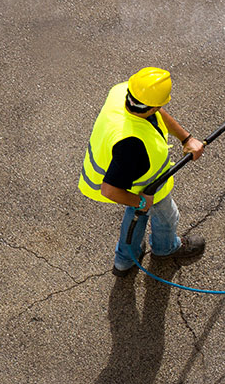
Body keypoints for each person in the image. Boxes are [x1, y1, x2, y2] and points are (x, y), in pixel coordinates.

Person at [79, 67, 206, 276]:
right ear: (153, 106)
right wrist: (140, 201)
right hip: (143, 186)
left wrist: (186, 138)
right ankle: (166, 248)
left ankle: (124, 261)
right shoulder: (131, 145)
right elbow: (110, 190)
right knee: (166, 216)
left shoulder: (122, 92)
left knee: (137, 217)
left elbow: (157, 112)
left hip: (131, 178)